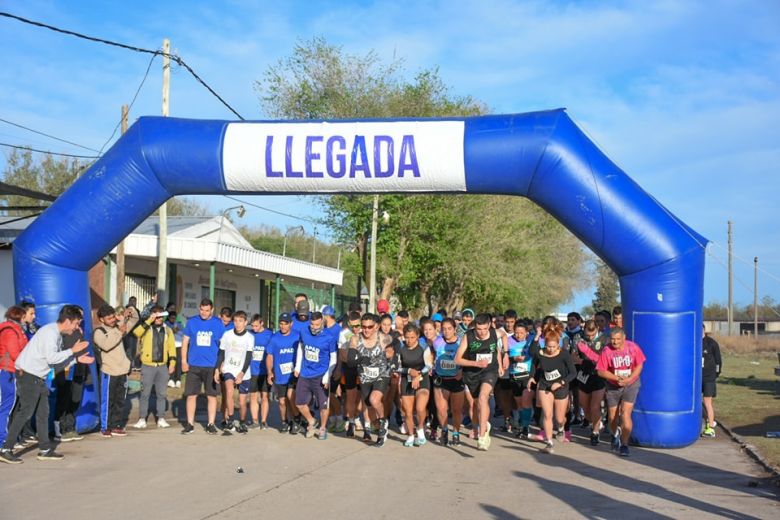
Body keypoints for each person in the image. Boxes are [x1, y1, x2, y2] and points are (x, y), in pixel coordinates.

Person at [0, 305, 92, 464]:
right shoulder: (50, 333)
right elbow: (52, 359)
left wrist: (76, 359)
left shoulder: (55, 334)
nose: (77, 327)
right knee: (25, 412)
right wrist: (72, 351)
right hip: (28, 375)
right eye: (77, 323)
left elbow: (54, 363)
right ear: (68, 321)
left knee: (43, 413)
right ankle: (6, 448)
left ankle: (44, 449)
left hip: (37, 376)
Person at [455, 313, 503, 451]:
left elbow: (503, 339)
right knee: (478, 403)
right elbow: (457, 359)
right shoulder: (468, 336)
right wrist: (475, 363)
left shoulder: (496, 333)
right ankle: (485, 425)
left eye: (484, 329)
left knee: (483, 397)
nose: (481, 332)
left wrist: (502, 359)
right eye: (478, 329)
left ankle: (482, 436)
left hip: (490, 371)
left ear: (489, 325)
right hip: (472, 373)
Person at [346, 312, 395, 447]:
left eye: (369, 327)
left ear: (376, 326)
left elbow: (394, 352)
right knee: (371, 411)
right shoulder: (356, 339)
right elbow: (350, 361)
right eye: (364, 327)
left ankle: (383, 424)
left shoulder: (385, 339)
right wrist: (361, 359)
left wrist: (391, 357)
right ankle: (380, 425)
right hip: (365, 377)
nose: (366, 330)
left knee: (374, 400)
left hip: (381, 375)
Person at [528, 322, 577, 454]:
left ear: (558, 344)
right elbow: (533, 360)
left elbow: (573, 373)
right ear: (545, 344)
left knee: (559, 418)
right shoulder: (540, 353)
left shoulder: (564, 354)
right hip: (545, 385)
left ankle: (561, 428)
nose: (551, 349)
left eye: (554, 347)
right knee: (548, 414)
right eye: (548, 346)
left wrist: (561, 382)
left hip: (561, 386)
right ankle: (549, 443)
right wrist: (532, 377)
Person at [596, 327, 646, 457]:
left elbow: (640, 365)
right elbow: (601, 371)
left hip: (631, 384)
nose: (615, 342)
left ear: (624, 338)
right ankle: (615, 434)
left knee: (625, 413)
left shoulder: (633, 347)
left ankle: (624, 444)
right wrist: (616, 378)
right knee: (612, 417)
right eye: (613, 339)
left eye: (618, 339)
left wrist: (629, 379)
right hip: (613, 385)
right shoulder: (607, 350)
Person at [180, 298, 225, 435]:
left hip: (211, 366)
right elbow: (185, 342)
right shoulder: (192, 322)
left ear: (211, 310)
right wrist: (183, 361)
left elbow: (223, 347)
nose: (204, 313)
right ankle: (189, 424)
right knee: (191, 395)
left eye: (207, 310)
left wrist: (220, 366)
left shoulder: (218, 324)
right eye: (202, 310)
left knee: (211, 396)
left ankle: (210, 424)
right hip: (194, 365)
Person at [294, 312, 337, 439]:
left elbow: (334, 358)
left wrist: (327, 376)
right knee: (299, 403)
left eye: (317, 325)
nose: (314, 327)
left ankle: (323, 428)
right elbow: (301, 348)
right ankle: (312, 421)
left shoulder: (329, 336)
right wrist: (297, 367)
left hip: (320, 375)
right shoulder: (304, 332)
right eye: (312, 324)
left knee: (323, 405)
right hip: (305, 373)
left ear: (322, 323)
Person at [132, 306, 176, 429]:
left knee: (161, 394)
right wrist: (148, 321)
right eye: (156, 316)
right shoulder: (146, 328)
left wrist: (172, 363)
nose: (158, 318)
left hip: (162, 366)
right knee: (145, 393)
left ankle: (161, 418)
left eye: (160, 316)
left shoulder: (168, 330)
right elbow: (136, 332)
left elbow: (172, 348)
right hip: (147, 366)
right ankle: (142, 418)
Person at [93, 304, 132, 437]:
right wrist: (120, 333)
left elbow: (134, 320)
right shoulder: (99, 332)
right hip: (109, 371)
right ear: (102, 319)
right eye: (108, 318)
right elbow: (106, 345)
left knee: (120, 401)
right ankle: (105, 427)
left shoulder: (117, 326)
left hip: (122, 370)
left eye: (113, 317)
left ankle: (116, 425)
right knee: (108, 400)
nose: (112, 320)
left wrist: (128, 313)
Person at [215, 310, 253, 434]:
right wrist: (217, 369)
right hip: (229, 368)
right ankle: (230, 420)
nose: (238, 324)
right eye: (235, 321)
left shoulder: (250, 337)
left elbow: (248, 357)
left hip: (243, 371)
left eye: (240, 321)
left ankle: (242, 422)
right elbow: (221, 353)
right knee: (229, 392)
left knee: (242, 402)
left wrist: (242, 373)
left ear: (245, 322)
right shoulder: (227, 335)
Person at [572, 320, 609, 446]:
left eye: (592, 335)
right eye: (587, 335)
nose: (590, 338)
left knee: (595, 406)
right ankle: (593, 421)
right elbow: (574, 357)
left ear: (597, 329)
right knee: (586, 408)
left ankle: (595, 432)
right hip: (583, 375)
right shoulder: (578, 337)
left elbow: (602, 361)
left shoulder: (605, 339)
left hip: (598, 376)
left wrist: (586, 355)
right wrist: (581, 360)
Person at [397, 323, 434, 447]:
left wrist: (418, 375)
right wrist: (408, 371)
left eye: (412, 337)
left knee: (420, 408)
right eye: (407, 337)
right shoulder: (400, 348)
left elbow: (429, 365)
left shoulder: (424, 348)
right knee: (407, 412)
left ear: (417, 336)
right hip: (406, 381)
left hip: (422, 380)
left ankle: (420, 428)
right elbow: (395, 367)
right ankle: (411, 435)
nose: (409, 340)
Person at [265, 313, 300, 433]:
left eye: (286, 324)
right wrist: (270, 372)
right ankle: (285, 422)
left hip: (293, 374)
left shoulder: (297, 336)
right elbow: (270, 356)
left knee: (291, 396)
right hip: (280, 376)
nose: (283, 326)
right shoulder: (274, 338)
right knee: (281, 401)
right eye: (281, 323)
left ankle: (296, 420)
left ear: (291, 324)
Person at [432, 318, 465, 446]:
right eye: (443, 329)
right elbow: (431, 355)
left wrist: (461, 371)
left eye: (449, 329)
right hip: (441, 379)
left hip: (456, 380)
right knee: (441, 409)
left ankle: (456, 433)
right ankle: (444, 431)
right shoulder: (437, 342)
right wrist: (431, 366)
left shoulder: (461, 343)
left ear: (454, 329)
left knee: (456, 410)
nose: (446, 331)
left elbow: (467, 358)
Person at [0, 306, 28, 448]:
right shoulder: (10, 331)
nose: (26, 320)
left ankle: (10, 437)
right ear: (18, 317)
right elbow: (14, 353)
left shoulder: (16, 329)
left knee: (11, 406)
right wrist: (26, 366)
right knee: (8, 406)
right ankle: (4, 439)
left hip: (11, 371)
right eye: (24, 317)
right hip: (8, 371)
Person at [507, 319, 534, 439]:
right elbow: (505, 357)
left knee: (525, 401)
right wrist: (514, 359)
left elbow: (535, 357)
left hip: (526, 376)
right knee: (519, 403)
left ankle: (525, 427)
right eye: (516, 332)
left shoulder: (531, 341)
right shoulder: (508, 341)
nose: (518, 335)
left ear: (527, 332)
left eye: (521, 333)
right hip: (514, 376)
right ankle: (521, 423)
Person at [248, 314, 273, 429]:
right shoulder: (249, 335)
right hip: (252, 371)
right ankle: (255, 420)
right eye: (252, 326)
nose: (254, 328)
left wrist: (271, 371)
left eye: (256, 326)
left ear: (262, 323)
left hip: (265, 371)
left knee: (265, 396)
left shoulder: (269, 335)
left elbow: (272, 353)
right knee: (253, 396)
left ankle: (263, 421)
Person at [701, 324, 722, 438]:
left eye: (701, 329)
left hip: (709, 377)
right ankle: (710, 421)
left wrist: (715, 374)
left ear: (704, 330)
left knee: (707, 401)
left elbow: (718, 361)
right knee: (696, 402)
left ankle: (710, 429)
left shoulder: (711, 343)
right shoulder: (692, 342)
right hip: (697, 377)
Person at [165, 310, 184, 388]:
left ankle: (178, 379)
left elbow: (183, 333)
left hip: (179, 345)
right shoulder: (166, 324)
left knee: (178, 362)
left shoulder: (179, 324)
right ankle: (171, 379)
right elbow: (166, 333)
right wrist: (172, 331)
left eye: (174, 318)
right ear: (169, 318)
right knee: (171, 362)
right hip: (170, 345)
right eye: (171, 318)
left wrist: (177, 331)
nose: (173, 319)